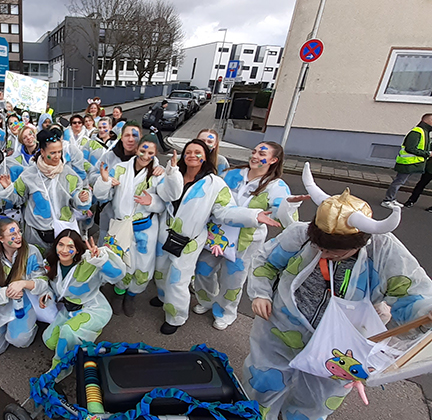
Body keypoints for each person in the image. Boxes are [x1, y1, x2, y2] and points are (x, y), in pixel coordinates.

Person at [243, 163, 432, 420]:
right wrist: (261, 293)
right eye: (320, 247)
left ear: (360, 242)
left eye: (335, 252)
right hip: (281, 328)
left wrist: (426, 313)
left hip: (340, 347)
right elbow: (266, 260)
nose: (325, 254)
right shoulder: (300, 234)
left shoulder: (384, 251)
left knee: (317, 399)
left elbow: (411, 291)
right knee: (263, 382)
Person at [152, 139, 280, 335]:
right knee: (160, 271)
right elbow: (162, 197)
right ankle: (162, 297)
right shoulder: (175, 175)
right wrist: (168, 173)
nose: (192, 155)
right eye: (188, 152)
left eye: (197, 152)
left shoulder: (215, 183)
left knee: (177, 281)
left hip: (189, 240)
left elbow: (225, 211)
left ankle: (175, 316)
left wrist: (254, 215)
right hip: (165, 233)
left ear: (205, 157)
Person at [192, 142, 301, 331]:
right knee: (202, 270)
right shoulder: (231, 174)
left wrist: (288, 207)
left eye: (262, 153)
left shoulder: (276, 186)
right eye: (254, 151)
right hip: (217, 235)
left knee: (232, 279)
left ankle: (225, 312)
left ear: (274, 160)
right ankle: (207, 300)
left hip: (246, 242)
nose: (255, 155)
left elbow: (283, 215)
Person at [94, 134, 165, 316]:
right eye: (143, 150)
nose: (145, 155)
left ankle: (132, 295)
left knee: (143, 268)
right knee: (120, 262)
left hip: (144, 230)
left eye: (150, 152)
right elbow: (102, 196)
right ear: (136, 149)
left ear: (155, 153)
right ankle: (119, 293)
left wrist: (152, 201)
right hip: (120, 226)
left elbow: (166, 202)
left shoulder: (158, 173)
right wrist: (104, 181)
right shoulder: (120, 168)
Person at [39, 230, 125, 372]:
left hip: (92, 308)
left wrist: (101, 260)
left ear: (77, 249)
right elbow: (52, 286)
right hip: (70, 310)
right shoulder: (51, 262)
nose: (64, 250)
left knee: (68, 332)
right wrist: (47, 293)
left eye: (70, 247)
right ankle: (83, 335)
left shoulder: (89, 261)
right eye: (61, 245)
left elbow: (118, 275)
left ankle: (59, 369)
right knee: (49, 341)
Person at [0, 127, 93, 253]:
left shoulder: (68, 174)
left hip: (64, 234)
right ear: (42, 151)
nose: (57, 156)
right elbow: (19, 199)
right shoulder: (29, 175)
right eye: (52, 153)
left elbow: (77, 198)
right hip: (36, 233)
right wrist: (8, 188)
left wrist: (81, 198)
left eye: (59, 152)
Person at [0, 219, 50, 357]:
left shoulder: (31, 252)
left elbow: (43, 281)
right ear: (1, 239)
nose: (18, 236)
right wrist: (6, 292)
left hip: (25, 303)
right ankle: (9, 328)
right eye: (12, 235)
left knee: (19, 341)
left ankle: (25, 327)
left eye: (19, 232)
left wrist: (23, 284)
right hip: (0, 305)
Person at [383, 114, 432, 208]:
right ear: (427, 121)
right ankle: (387, 200)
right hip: (407, 162)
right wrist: (427, 154)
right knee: (398, 181)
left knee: (400, 181)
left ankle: (392, 199)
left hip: (411, 163)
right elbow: (410, 148)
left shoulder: (424, 132)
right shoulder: (417, 132)